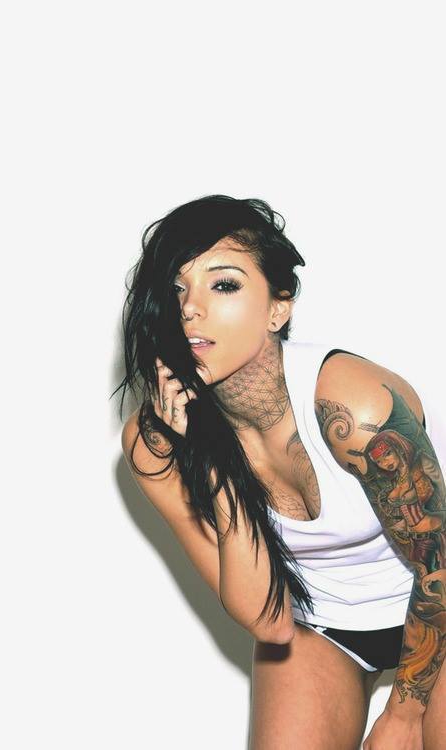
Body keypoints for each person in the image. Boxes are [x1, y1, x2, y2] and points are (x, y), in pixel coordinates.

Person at [115, 194, 446, 749]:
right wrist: (210, 458)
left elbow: (440, 565)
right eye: (177, 289)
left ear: (278, 309)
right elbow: (268, 620)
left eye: (223, 285)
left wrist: (405, 714)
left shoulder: (353, 406)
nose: (190, 307)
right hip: (324, 627)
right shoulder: (155, 444)